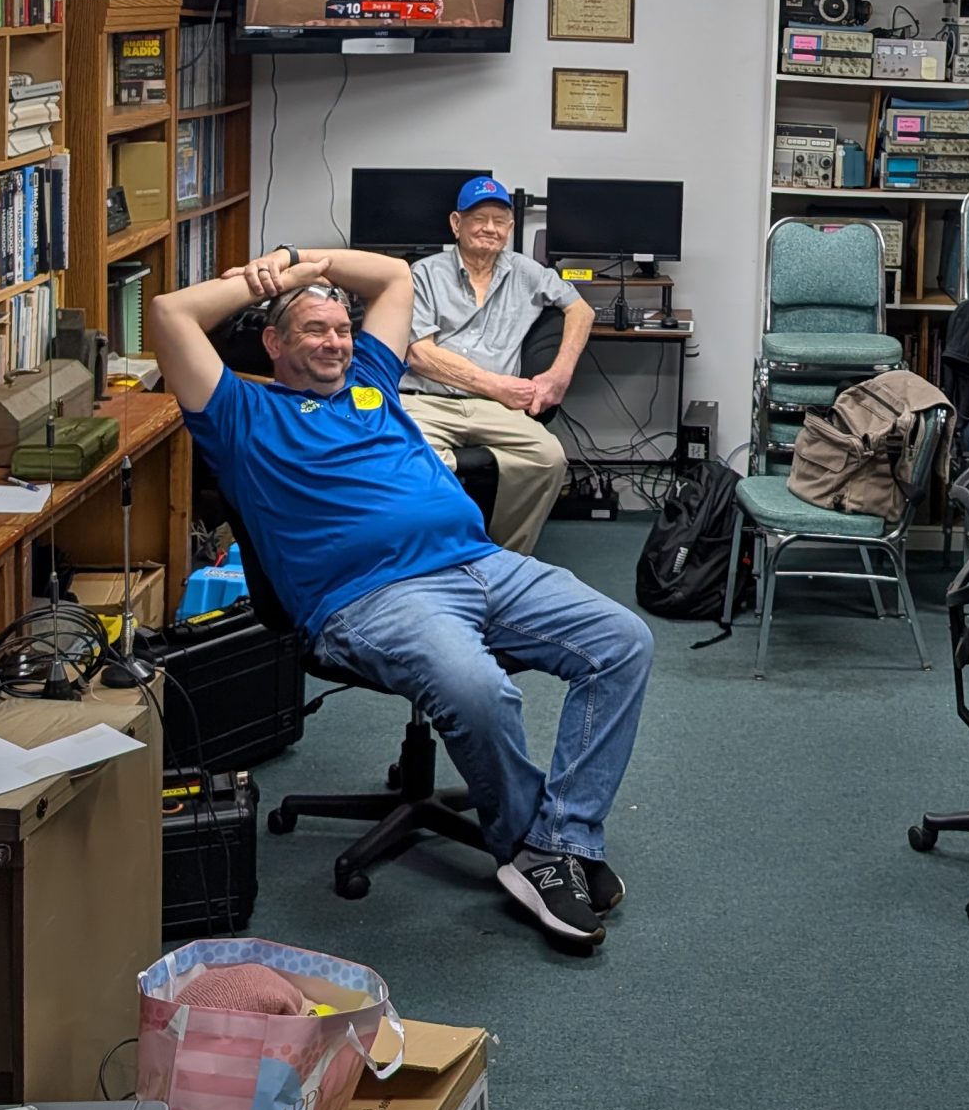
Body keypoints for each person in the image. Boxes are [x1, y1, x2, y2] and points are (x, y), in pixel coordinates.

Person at [152, 241, 652, 949]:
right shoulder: (238, 412)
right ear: (274, 342)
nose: (335, 342)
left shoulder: (370, 381)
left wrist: (304, 259)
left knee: (622, 642)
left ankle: (562, 837)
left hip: (480, 564)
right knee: (478, 690)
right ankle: (530, 852)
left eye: (342, 329)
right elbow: (168, 313)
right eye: (314, 330)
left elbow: (391, 277)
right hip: (373, 598)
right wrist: (270, 279)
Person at [401, 176, 594, 555]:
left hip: (495, 409)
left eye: (499, 220)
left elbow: (581, 310)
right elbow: (420, 355)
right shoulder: (422, 274)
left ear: (510, 228)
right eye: (479, 218)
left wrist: (559, 375)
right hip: (427, 402)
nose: (489, 228)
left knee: (548, 459)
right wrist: (497, 385)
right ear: (456, 223)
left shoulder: (527, 272)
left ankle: (503, 557)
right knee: (406, 460)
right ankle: (436, 556)